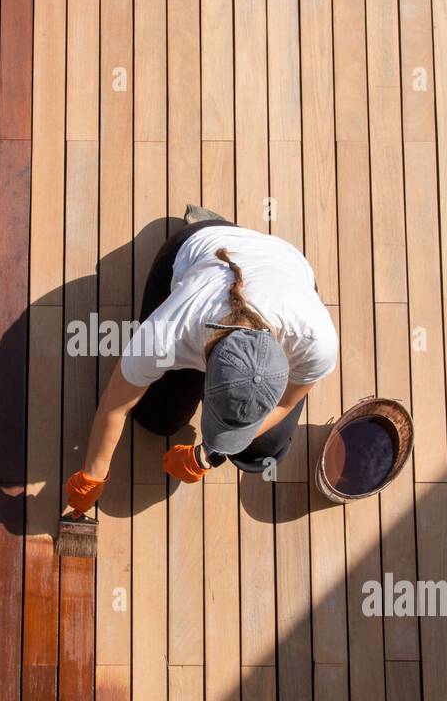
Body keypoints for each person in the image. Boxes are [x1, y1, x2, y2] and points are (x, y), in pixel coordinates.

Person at [64, 206, 339, 516]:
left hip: (286, 268)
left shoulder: (316, 340)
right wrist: (92, 476)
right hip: (200, 250)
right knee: (157, 418)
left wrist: (211, 452)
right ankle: (216, 224)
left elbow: (286, 404)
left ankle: (238, 235)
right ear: (207, 378)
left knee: (263, 450)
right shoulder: (168, 333)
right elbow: (116, 404)